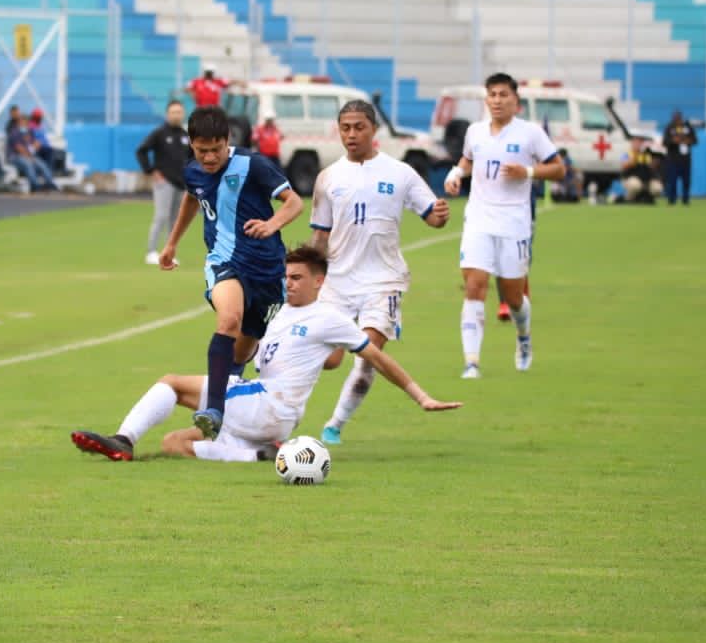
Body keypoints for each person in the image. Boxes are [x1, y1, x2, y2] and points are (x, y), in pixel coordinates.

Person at [71, 245, 459, 462]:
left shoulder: (329, 317)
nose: (288, 283)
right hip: (263, 409)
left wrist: (421, 396)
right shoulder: (278, 312)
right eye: (285, 276)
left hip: (270, 405)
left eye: (297, 277)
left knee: (171, 384)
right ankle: (257, 455)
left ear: (319, 281)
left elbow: (375, 357)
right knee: (174, 443)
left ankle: (123, 439)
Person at [309, 100, 450, 445]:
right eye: (346, 128)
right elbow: (320, 235)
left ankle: (335, 425)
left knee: (368, 355)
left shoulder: (399, 173)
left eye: (359, 127)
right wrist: (309, 277)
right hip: (338, 282)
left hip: (383, 281)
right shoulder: (328, 178)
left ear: (374, 130)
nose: (352, 134)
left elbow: (431, 213)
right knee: (328, 359)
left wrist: (439, 216)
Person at [159, 104, 304, 439]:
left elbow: (294, 202)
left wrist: (271, 224)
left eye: (215, 150)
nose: (209, 158)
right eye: (201, 151)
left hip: (267, 270)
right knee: (228, 321)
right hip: (223, 260)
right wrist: (172, 244)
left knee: (243, 346)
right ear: (192, 146)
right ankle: (214, 409)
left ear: (228, 141)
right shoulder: (193, 171)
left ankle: (235, 387)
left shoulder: (253, 165)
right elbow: (192, 199)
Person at [444, 73, 565, 379]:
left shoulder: (530, 133)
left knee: (512, 296)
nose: (497, 101)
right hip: (479, 218)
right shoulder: (475, 131)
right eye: (492, 95)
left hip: (514, 221)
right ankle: (471, 362)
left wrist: (527, 171)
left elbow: (559, 169)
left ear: (516, 102)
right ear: (486, 100)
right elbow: (468, 159)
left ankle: (523, 339)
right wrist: (456, 173)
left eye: (503, 95)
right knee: (474, 285)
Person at [135, 99, 190, 266]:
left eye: (179, 112)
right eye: (173, 112)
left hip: (181, 183)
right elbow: (142, 150)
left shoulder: (185, 135)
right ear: (168, 114)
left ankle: (169, 252)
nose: (176, 115)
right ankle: (151, 251)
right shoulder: (160, 133)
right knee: (161, 216)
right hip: (164, 181)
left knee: (176, 220)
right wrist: (151, 170)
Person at [4, 104, 55, 192]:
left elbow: (34, 143)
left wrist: (35, 145)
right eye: (24, 122)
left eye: (26, 123)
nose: (26, 125)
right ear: (19, 123)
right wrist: (29, 156)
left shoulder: (28, 132)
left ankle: (50, 183)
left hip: (28, 155)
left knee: (41, 164)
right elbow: (19, 148)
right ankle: (34, 186)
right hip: (15, 156)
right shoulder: (14, 132)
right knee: (28, 164)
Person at [662, 110, 697, 206]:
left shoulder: (687, 127)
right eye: (675, 118)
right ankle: (671, 200)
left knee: (686, 181)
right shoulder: (670, 127)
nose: (677, 120)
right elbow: (665, 142)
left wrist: (686, 140)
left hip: (685, 159)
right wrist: (674, 141)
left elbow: (694, 140)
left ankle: (685, 199)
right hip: (673, 159)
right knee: (672, 181)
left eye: (678, 118)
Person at [619, 137, 663, 203]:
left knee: (657, 188)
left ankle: (648, 198)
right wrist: (635, 157)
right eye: (636, 142)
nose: (638, 145)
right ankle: (629, 199)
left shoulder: (647, 154)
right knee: (635, 185)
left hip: (646, 179)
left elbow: (653, 167)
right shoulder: (627, 153)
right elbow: (624, 166)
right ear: (632, 143)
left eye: (640, 143)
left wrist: (655, 156)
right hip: (630, 178)